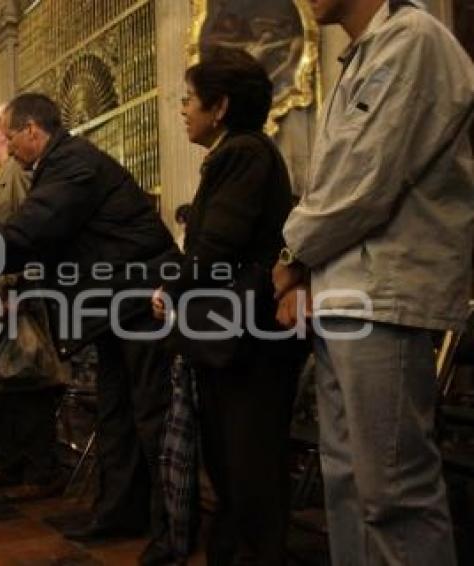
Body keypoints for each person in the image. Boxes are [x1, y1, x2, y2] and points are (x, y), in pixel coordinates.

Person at [274, 1, 474, 564]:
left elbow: (364, 179)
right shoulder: (361, 54)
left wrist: (292, 253)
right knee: (348, 482)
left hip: (384, 292)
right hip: (346, 288)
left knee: (392, 491)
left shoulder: (410, 40)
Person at [0, 93, 179, 564]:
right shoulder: (56, 166)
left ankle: (171, 527)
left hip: (141, 300)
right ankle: (118, 513)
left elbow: (31, 233)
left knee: (150, 417)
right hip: (116, 304)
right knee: (116, 413)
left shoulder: (72, 163)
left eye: (12, 137)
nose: (8, 148)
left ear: (33, 130)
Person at [152, 47, 307, 565]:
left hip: (250, 336)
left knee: (247, 461)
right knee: (231, 458)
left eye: (189, 100)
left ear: (219, 107)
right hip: (237, 332)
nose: (182, 110)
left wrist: (170, 290)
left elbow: (218, 243)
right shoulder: (240, 150)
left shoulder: (243, 152)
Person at [0, 103, 70, 501]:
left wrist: (17, 288)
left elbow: (30, 236)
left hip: (13, 298)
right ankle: (9, 464)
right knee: (0, 384)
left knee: (27, 382)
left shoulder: (18, 175)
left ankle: (39, 470)